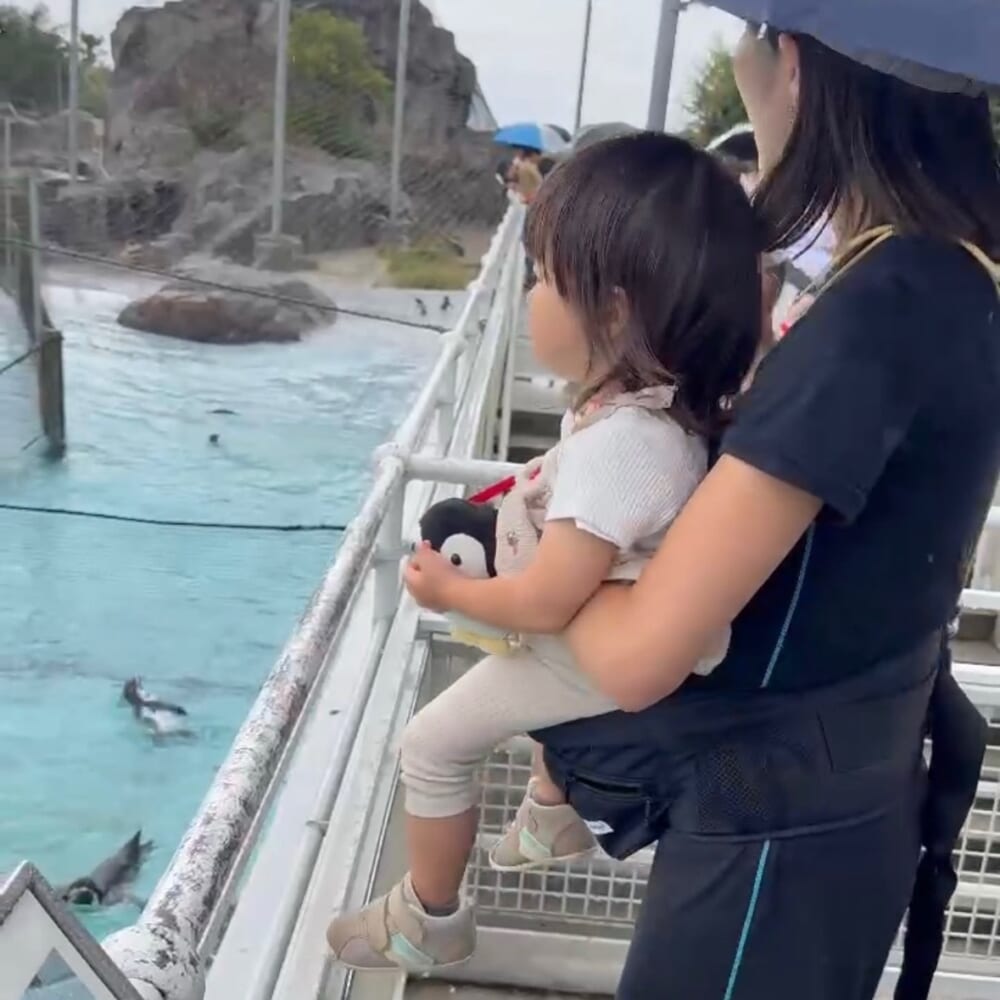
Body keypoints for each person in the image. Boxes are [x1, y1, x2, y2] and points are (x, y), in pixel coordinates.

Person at [527, 24, 996, 1000]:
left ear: (799, 64)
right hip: (845, 785)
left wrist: (519, 562)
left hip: (776, 831)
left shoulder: (881, 310)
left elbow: (637, 652)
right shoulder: (953, 274)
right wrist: (772, 88)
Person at [325, 132, 764, 973]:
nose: (527, 296)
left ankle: (430, 917)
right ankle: (551, 809)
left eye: (544, 279)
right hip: (613, 647)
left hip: (593, 659)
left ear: (614, 309)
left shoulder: (624, 442)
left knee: (430, 743)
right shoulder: (640, 414)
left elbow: (547, 604)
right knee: (530, 692)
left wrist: (447, 591)